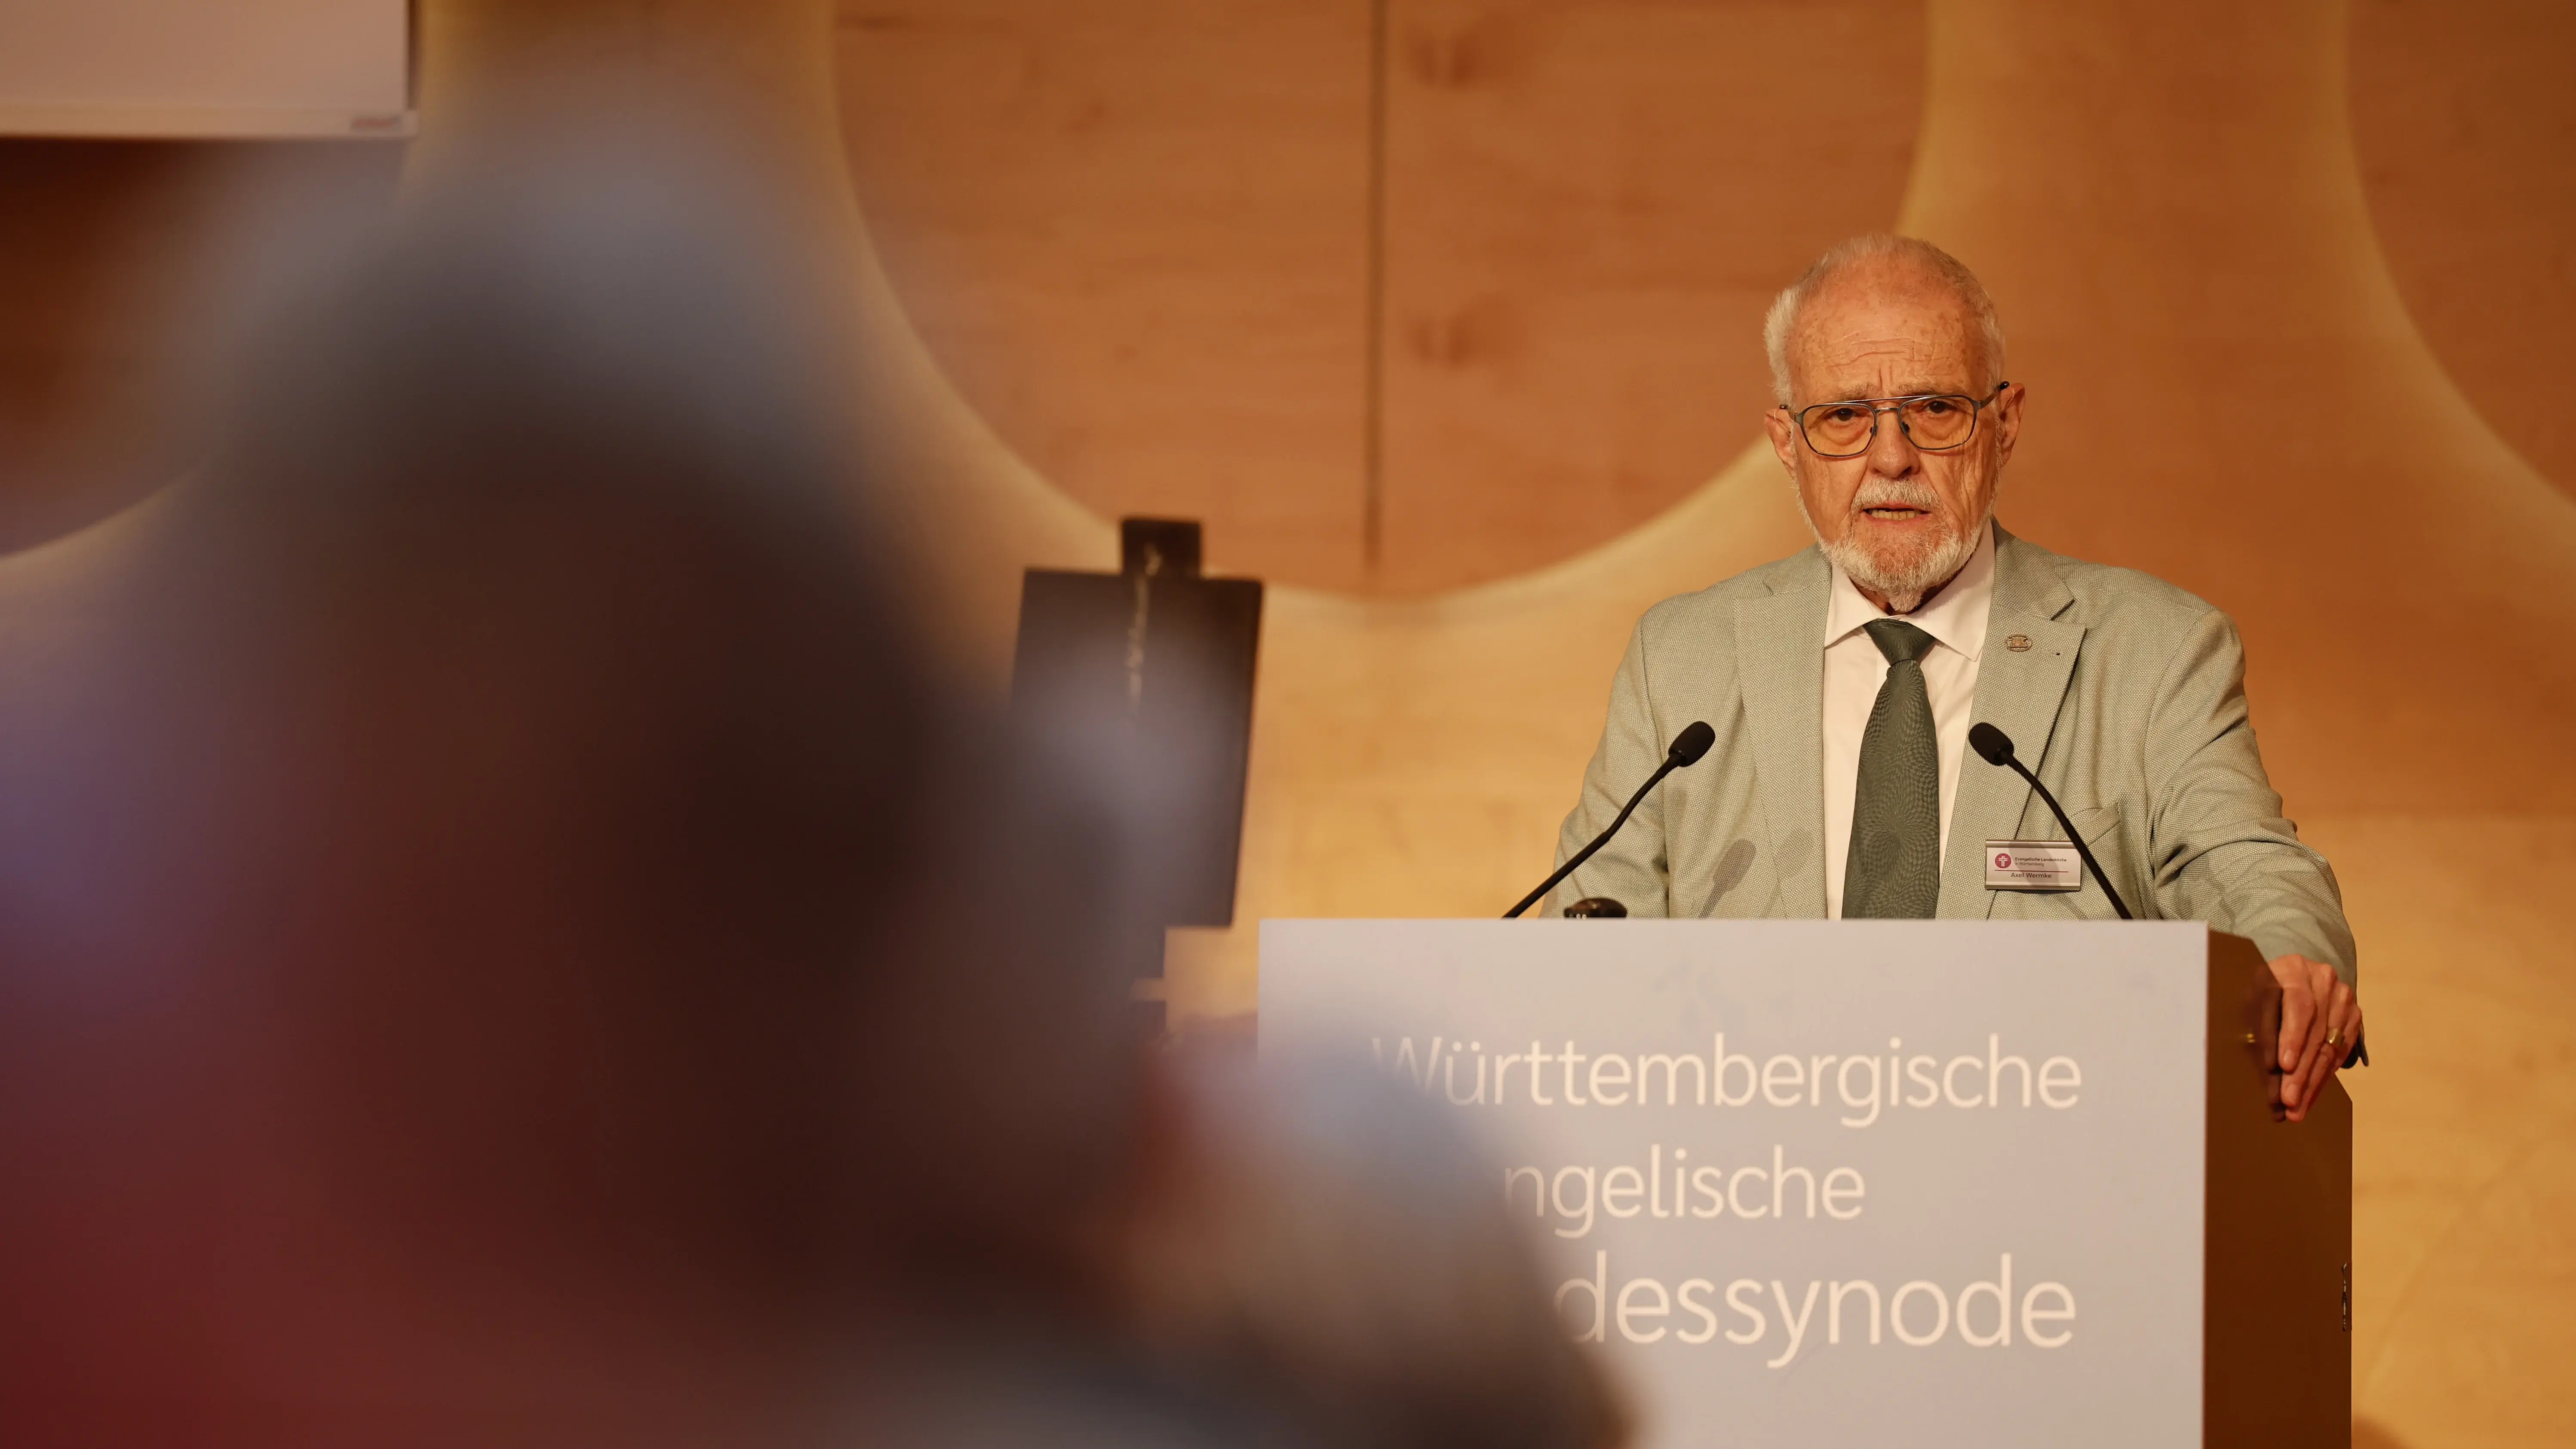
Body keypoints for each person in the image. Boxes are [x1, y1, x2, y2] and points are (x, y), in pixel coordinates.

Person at [1549, 234, 2359, 1120]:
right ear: (1786, 440)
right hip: (1751, 1180)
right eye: (1844, 417)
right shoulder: (1682, 658)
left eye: (1933, 409)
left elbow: (2241, 859)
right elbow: (1589, 922)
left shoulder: (2153, 649)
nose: (1890, 458)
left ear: (2003, 422)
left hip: (2044, 1184)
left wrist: (2290, 951)